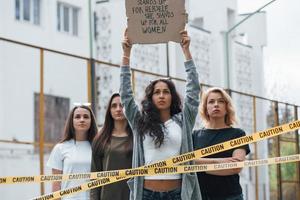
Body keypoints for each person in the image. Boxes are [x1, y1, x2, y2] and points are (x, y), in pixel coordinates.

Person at [120, 30, 202, 200]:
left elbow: (194, 91)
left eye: (166, 91)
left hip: (177, 194)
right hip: (146, 194)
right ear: (151, 97)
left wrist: (186, 51)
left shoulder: (183, 120)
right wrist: (126, 54)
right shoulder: (139, 121)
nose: (162, 95)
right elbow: (126, 95)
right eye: (157, 92)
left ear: (172, 96)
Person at [193, 87, 251, 200]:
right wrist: (218, 161)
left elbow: (235, 167)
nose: (216, 104)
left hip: (231, 196)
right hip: (200, 196)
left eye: (221, 101)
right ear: (205, 108)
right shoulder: (195, 135)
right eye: (211, 101)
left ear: (227, 107)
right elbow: (187, 162)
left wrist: (199, 165)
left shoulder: (237, 134)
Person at [47, 104, 98, 200]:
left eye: (86, 117)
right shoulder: (60, 148)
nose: (82, 120)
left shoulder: (98, 148)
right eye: (77, 117)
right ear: (72, 121)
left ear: (91, 121)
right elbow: (56, 185)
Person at [90, 93, 133, 200]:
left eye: (122, 105)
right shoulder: (100, 139)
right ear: (109, 110)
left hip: (132, 196)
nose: (118, 109)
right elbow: (95, 175)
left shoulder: (137, 137)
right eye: (114, 106)